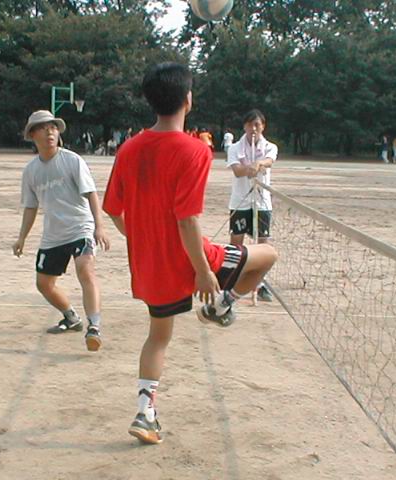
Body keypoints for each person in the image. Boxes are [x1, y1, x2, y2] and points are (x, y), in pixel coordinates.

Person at [102, 62, 277, 445]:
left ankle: (145, 414)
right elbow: (186, 220)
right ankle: (222, 305)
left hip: (149, 265)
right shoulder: (195, 150)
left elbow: (112, 209)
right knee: (268, 255)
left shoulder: (129, 148)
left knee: (158, 337)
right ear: (188, 99)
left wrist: (142, 237)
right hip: (191, 258)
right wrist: (202, 271)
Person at [12, 110, 110, 351]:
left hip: (80, 227)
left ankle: (94, 327)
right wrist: (22, 237)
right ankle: (71, 317)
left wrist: (99, 226)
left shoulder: (72, 160)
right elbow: (31, 207)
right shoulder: (31, 171)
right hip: (53, 234)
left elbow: (91, 194)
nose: (50, 131)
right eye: (43, 127)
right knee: (44, 284)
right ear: (32, 135)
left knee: (85, 270)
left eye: (53, 127)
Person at [226, 109, 278, 302]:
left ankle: (260, 283)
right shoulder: (234, 148)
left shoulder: (270, 147)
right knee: (236, 242)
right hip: (240, 200)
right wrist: (250, 168)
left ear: (263, 126)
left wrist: (259, 163)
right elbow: (237, 170)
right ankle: (232, 278)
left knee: (263, 242)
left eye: (257, 125)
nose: (253, 129)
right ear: (244, 126)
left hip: (262, 201)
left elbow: (269, 161)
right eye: (250, 124)